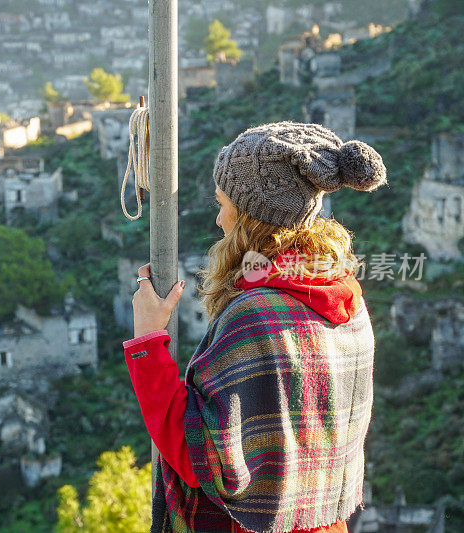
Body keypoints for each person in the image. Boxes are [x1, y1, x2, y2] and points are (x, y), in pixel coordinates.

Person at [123, 121, 388, 533]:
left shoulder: (254, 317)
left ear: (248, 217)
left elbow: (200, 458)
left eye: (223, 203)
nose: (217, 219)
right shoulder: (346, 298)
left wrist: (146, 343)